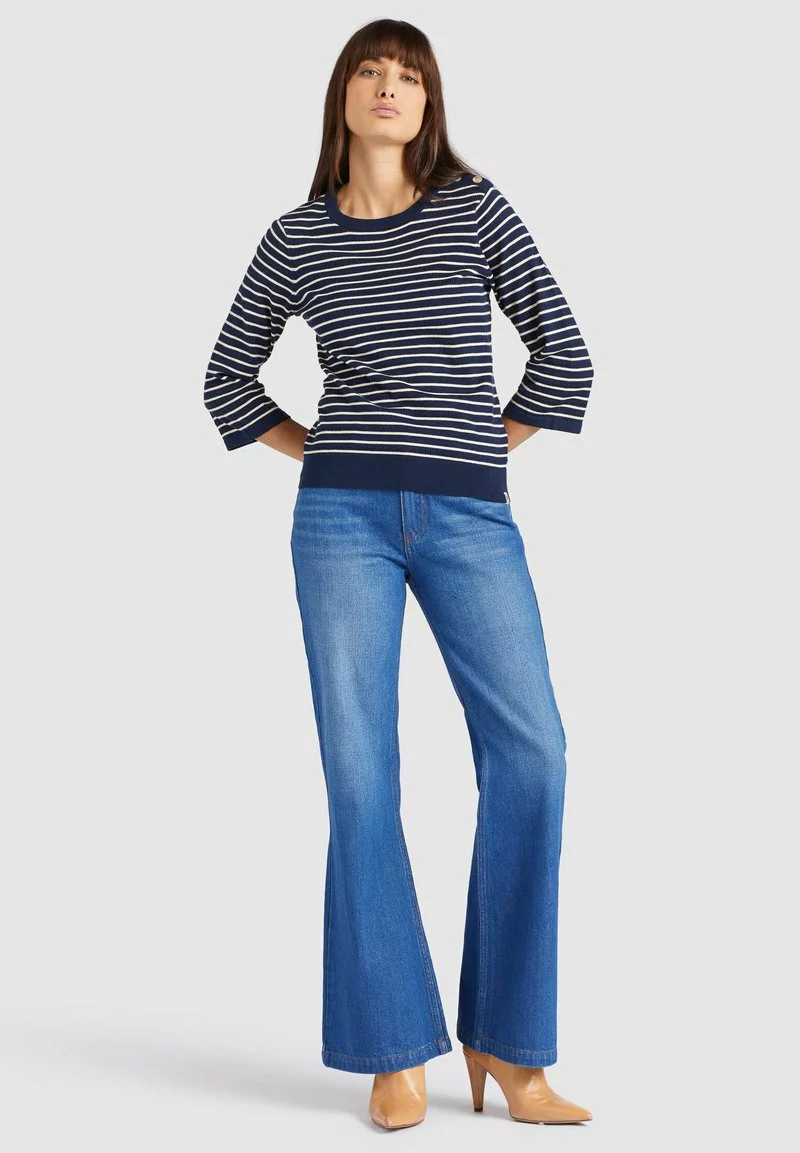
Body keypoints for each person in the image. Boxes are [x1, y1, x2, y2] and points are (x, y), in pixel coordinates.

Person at [204, 18, 594, 1129]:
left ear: (429, 105)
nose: (389, 86)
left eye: (409, 75)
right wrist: (328, 454)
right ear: (343, 97)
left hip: (469, 518)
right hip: (340, 524)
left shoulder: (473, 208)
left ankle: (508, 1047)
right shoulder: (296, 237)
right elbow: (226, 377)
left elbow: (565, 353)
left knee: (534, 753)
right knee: (360, 773)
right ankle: (392, 1048)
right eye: (371, 71)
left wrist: (469, 451)